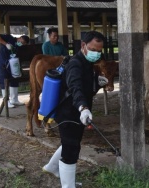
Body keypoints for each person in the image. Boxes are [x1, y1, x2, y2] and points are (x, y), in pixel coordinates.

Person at [42, 31, 108, 188]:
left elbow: (85, 89)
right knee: (71, 148)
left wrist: (97, 83)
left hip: (77, 112)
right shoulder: (75, 63)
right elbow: (75, 87)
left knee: (71, 142)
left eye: (99, 51)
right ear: (83, 45)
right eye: (93, 49)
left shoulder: (87, 63)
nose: (96, 53)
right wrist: (83, 107)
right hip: (69, 112)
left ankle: (51, 167)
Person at [0, 34, 30, 108]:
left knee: (14, 80)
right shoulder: (9, 38)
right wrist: (6, 44)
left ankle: (14, 100)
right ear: (20, 38)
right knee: (3, 81)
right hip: (3, 63)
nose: (22, 44)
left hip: (12, 65)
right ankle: (6, 102)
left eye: (23, 44)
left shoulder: (18, 46)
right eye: (22, 42)